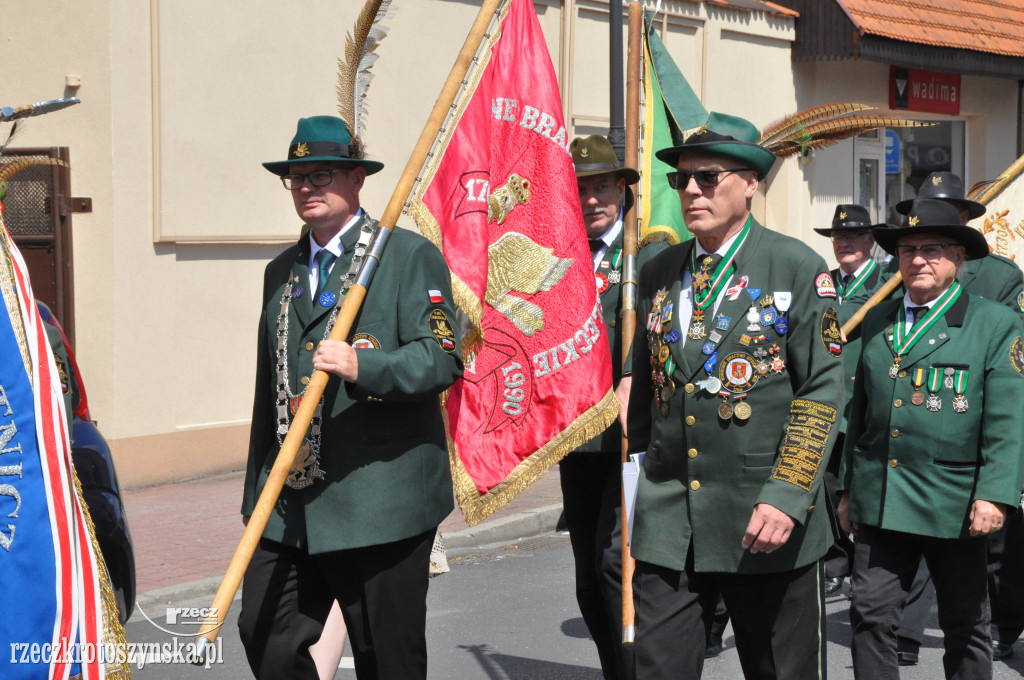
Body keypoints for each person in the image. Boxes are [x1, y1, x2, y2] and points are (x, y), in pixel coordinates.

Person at [237, 115, 463, 680]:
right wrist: (255, 495)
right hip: (291, 500)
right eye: (296, 178)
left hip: (381, 500)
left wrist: (367, 365)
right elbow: (270, 391)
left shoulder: (407, 256)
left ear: (357, 179)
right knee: (265, 632)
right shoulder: (280, 271)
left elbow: (441, 358)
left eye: (322, 175)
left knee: (386, 657)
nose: (308, 187)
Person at [627, 111, 844, 679]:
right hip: (672, 514)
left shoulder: (796, 267)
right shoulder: (658, 271)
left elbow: (821, 391)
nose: (691, 190)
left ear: (749, 183)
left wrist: (788, 492)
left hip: (765, 516)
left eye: (708, 177)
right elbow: (647, 387)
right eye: (682, 180)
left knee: (780, 670)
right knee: (657, 667)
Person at [838, 198, 1024, 679]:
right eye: (907, 250)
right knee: (871, 620)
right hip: (882, 499)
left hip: (956, 502)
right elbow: (862, 414)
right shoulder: (878, 319)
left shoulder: (993, 323)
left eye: (933, 249)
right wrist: (848, 488)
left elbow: (1008, 420)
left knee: (965, 626)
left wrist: (995, 493)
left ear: (958, 259)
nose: (918, 260)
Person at [889, 171, 1024, 665]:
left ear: (965, 226)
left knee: (984, 578)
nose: (921, 255)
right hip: (907, 447)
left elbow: (1006, 361)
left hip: (967, 426)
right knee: (881, 601)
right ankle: (905, 634)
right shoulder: (902, 268)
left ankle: (1007, 628)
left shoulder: (1002, 276)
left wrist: (998, 487)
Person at [560, 135, 669, 680]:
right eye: (581, 188)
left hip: (632, 437)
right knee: (587, 576)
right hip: (576, 437)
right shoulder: (558, 257)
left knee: (616, 566)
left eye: (603, 186)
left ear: (623, 191)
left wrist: (635, 373)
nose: (591, 199)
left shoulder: (648, 255)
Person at [812, 204, 890, 596]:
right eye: (838, 237)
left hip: (866, 399)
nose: (844, 242)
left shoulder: (886, 283)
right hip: (826, 398)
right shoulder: (822, 282)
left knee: (857, 482)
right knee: (826, 484)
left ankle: (871, 565)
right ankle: (836, 559)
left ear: (871, 241)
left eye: (854, 236)